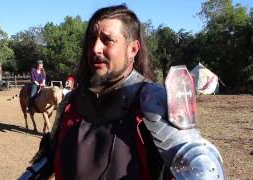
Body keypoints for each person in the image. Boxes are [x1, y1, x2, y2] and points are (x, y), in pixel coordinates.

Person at [21, 4, 225, 180]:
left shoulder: (153, 99)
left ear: (133, 49)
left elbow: (200, 162)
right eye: (92, 39)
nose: (95, 49)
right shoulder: (71, 102)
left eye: (107, 40)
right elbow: (48, 156)